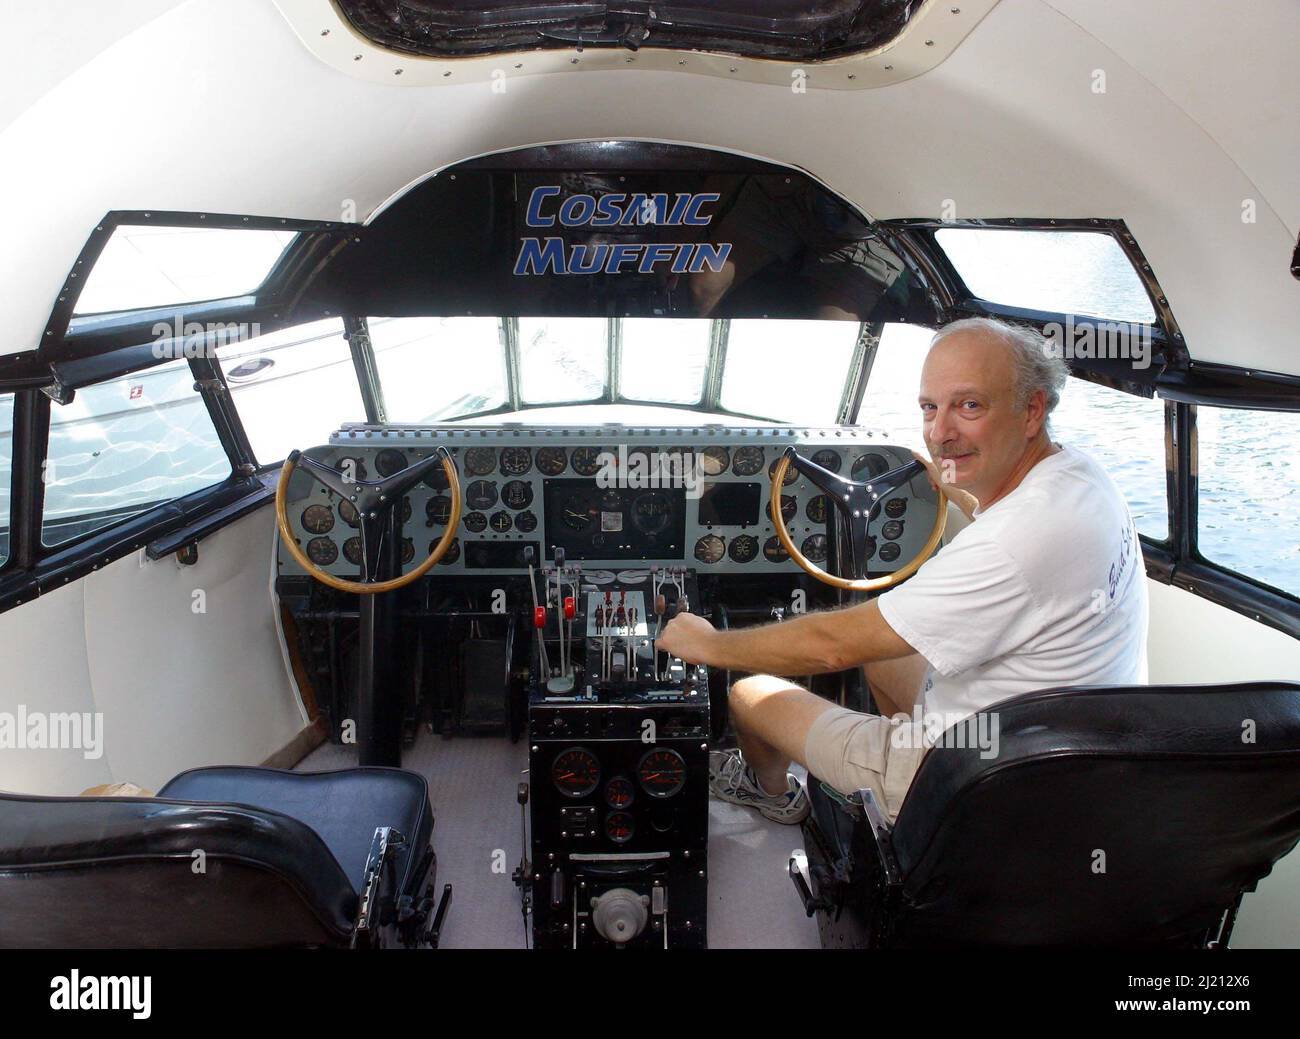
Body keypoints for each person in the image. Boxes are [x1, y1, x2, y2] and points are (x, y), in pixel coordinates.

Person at [656, 317, 1149, 824]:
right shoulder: (1081, 477)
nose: (940, 433)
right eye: (930, 408)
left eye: (969, 406)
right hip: (1058, 750)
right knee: (885, 659)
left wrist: (709, 645)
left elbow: (833, 646)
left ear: (1032, 410)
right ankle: (885, 787)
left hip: (972, 780)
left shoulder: (1012, 542)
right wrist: (949, 477)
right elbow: (1004, 511)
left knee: (749, 693)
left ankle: (786, 795)